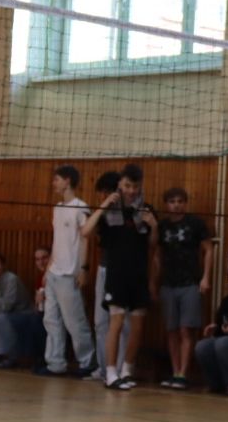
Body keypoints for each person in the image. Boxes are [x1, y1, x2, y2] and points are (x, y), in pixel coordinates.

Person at [82, 163, 155, 388]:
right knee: (116, 321)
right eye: (127, 186)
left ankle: (126, 370)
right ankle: (111, 372)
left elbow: (153, 244)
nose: (131, 190)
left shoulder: (145, 209)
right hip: (116, 274)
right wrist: (104, 205)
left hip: (138, 274)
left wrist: (154, 226)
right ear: (120, 185)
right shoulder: (110, 211)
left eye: (135, 186)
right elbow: (85, 231)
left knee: (137, 325)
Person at [39, 165, 96, 378]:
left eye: (57, 179)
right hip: (54, 273)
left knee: (74, 321)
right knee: (51, 320)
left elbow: (85, 239)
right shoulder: (57, 208)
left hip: (69, 273)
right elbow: (57, 241)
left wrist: (83, 269)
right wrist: (47, 269)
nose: (53, 183)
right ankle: (55, 363)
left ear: (68, 181)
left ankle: (87, 362)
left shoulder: (80, 207)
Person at [153, 186, 212, 390]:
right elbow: (157, 254)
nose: (176, 205)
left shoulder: (195, 223)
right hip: (168, 283)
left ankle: (183, 373)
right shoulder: (162, 226)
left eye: (180, 201)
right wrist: (154, 282)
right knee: (171, 330)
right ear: (166, 204)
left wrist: (205, 277)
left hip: (190, 282)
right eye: (172, 201)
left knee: (186, 329)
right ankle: (175, 370)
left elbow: (208, 249)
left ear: (185, 203)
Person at [88, 172, 133, 380]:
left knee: (122, 322)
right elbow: (86, 231)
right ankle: (103, 367)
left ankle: (120, 368)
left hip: (124, 272)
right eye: (102, 193)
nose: (103, 196)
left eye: (107, 192)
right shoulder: (103, 214)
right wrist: (104, 205)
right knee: (100, 322)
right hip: (104, 270)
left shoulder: (131, 213)